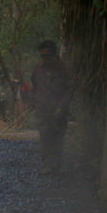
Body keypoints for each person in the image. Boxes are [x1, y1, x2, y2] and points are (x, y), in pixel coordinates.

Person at [31, 40, 72, 174]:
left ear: (54, 55)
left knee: (57, 138)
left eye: (47, 56)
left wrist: (61, 108)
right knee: (45, 138)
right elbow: (35, 86)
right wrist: (34, 102)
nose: (44, 59)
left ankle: (56, 166)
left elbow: (68, 91)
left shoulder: (64, 69)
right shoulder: (38, 68)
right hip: (42, 110)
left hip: (59, 111)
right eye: (42, 56)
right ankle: (47, 165)